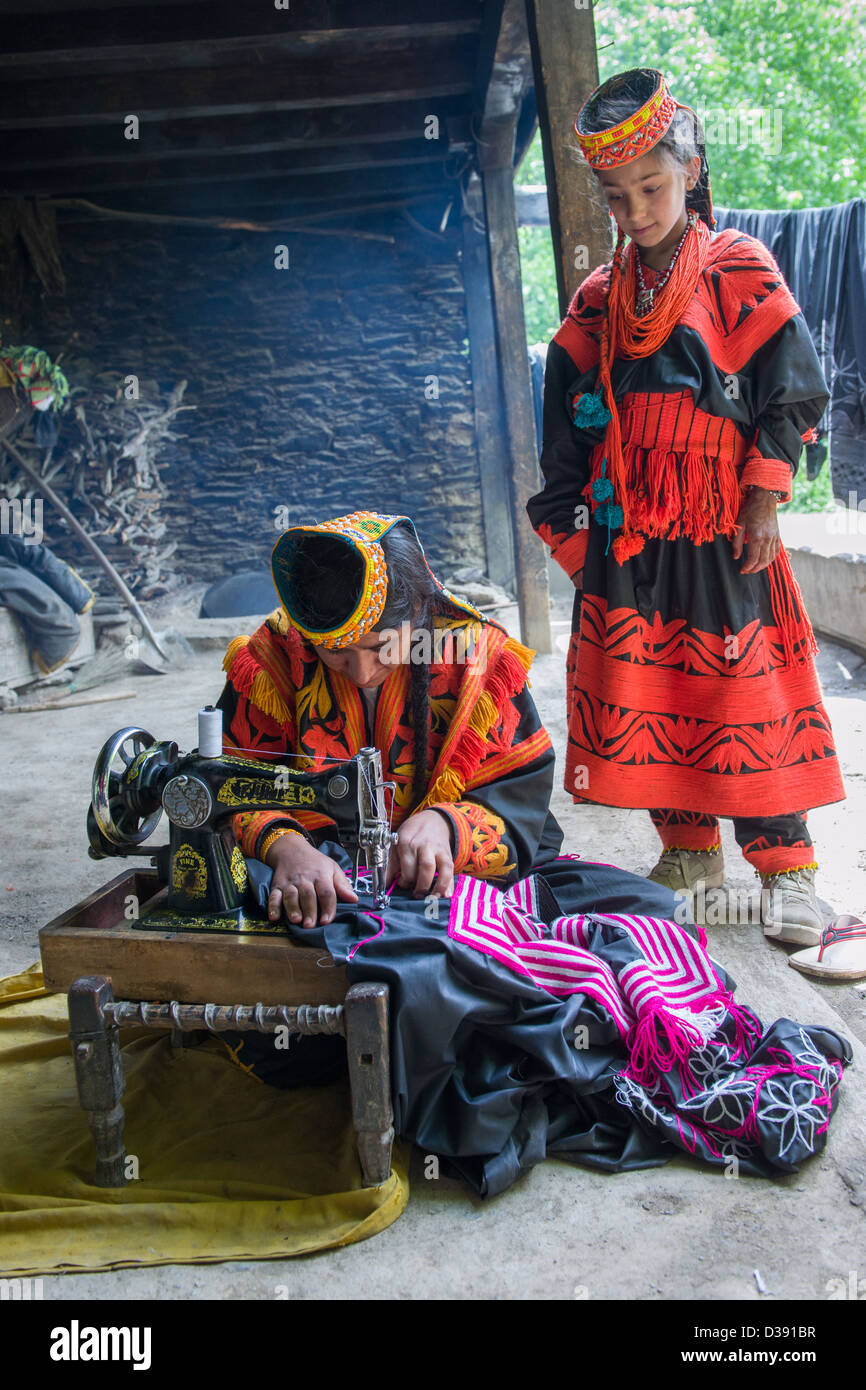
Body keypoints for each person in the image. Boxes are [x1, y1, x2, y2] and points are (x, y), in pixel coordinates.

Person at [211, 510, 848, 1196]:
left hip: (465, 876)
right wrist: (287, 847)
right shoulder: (276, 659)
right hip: (329, 883)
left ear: (420, 610)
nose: (362, 671)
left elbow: (517, 801)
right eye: (338, 655)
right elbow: (231, 782)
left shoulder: (474, 658)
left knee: (655, 913)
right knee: (406, 964)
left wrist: (447, 826)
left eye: (379, 647)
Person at [527, 67, 844, 946]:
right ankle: (689, 852)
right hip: (629, 540)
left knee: (747, 691)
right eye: (616, 196)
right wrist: (578, 539)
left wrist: (763, 500)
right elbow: (568, 427)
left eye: (654, 187)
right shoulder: (600, 302)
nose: (636, 211)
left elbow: (793, 391)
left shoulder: (738, 268)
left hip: (721, 529)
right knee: (652, 691)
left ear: (693, 168)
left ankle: (788, 870)